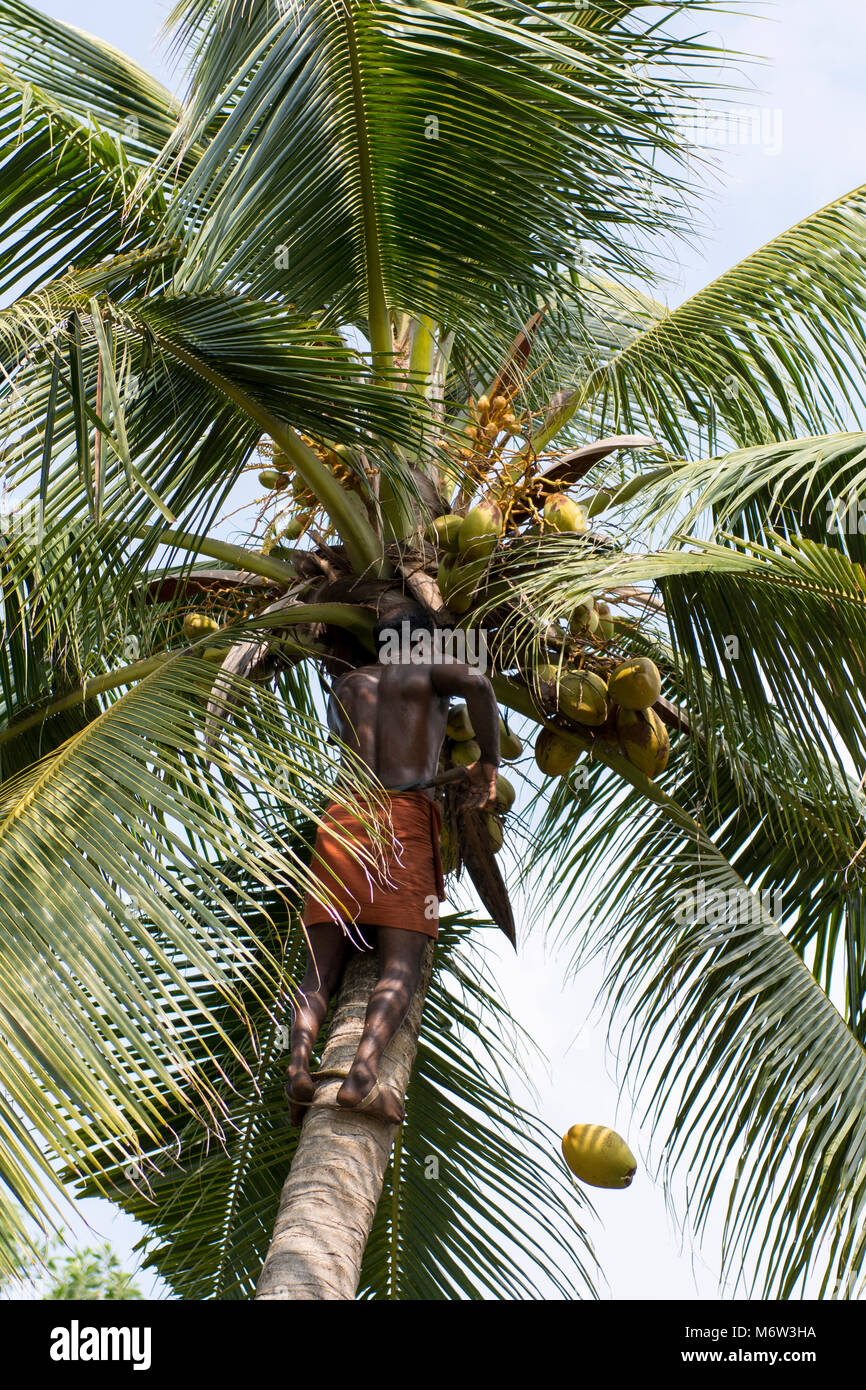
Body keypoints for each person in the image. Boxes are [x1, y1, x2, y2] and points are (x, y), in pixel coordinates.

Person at [286, 603, 500, 1125]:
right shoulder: (427, 668)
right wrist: (488, 762)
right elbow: (478, 683)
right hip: (403, 819)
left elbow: (348, 741)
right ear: (424, 642)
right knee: (401, 964)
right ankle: (362, 1074)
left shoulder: (349, 683)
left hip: (341, 819)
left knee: (319, 970)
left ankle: (297, 1069)